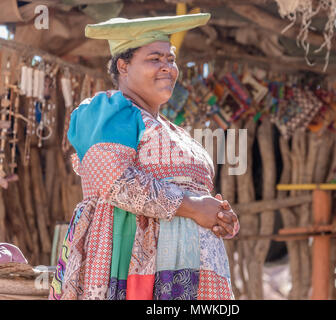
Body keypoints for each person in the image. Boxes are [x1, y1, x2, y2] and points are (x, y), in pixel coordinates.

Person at [49, 13, 239, 300]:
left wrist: (218, 216)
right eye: (155, 59)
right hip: (134, 263)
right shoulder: (112, 109)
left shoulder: (173, 129)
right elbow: (114, 183)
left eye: (171, 59)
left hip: (190, 269)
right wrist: (193, 206)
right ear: (123, 66)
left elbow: (196, 194)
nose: (168, 67)